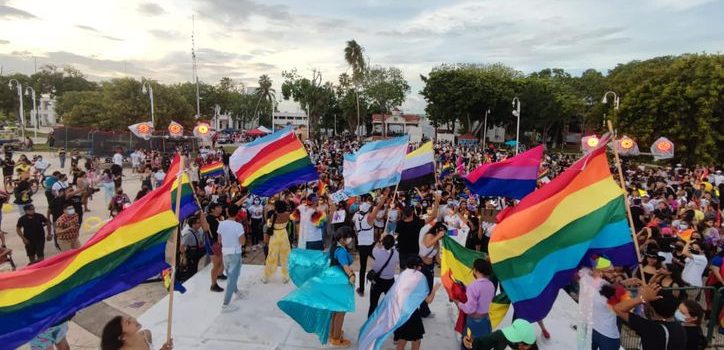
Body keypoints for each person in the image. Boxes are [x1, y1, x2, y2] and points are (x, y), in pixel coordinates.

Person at [612, 281, 686, 350]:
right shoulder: (678, 326)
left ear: (652, 310)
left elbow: (618, 308)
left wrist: (642, 298)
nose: (644, 305)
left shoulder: (652, 328)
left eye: (645, 304)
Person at [393, 256, 443, 350]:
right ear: (416, 267)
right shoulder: (419, 280)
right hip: (412, 314)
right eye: (420, 266)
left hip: (401, 313)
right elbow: (428, 300)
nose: (421, 268)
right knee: (416, 341)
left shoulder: (402, 276)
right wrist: (434, 290)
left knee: (401, 341)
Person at [455, 258, 496, 348]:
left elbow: (470, 309)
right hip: (486, 320)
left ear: (475, 270)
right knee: (484, 345)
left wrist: (459, 303)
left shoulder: (473, 286)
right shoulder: (491, 285)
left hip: (474, 322)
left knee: (469, 345)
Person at [353, 191, 387, 296]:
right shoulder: (369, 218)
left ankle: (361, 289)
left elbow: (354, 228)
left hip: (361, 245)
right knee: (382, 261)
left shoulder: (356, 215)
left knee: (362, 268)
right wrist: (385, 196)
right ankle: (381, 283)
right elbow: (379, 206)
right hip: (370, 245)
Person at [327, 226, 356, 347]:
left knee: (335, 309)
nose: (350, 240)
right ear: (343, 239)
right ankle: (336, 338)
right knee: (340, 311)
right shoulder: (342, 251)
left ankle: (333, 332)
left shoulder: (334, 247)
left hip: (333, 281)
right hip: (339, 283)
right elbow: (345, 265)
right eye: (349, 237)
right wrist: (351, 275)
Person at [217, 205, 245, 312]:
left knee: (230, 275)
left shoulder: (221, 224)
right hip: (235, 253)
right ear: (237, 213)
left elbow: (219, 239)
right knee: (232, 278)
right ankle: (226, 304)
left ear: (228, 213)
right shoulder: (238, 226)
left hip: (225, 252)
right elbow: (242, 241)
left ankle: (236, 290)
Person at [368, 234, 399, 316]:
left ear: (383, 242)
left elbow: (375, 247)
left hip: (377, 281)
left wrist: (380, 239)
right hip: (390, 281)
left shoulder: (376, 251)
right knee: (390, 303)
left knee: (373, 304)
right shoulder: (396, 254)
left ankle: (370, 324)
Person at [100, 315, 172, 350]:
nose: (134, 320)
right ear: (122, 337)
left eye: (130, 318)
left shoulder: (146, 335)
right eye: (128, 322)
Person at [263, 199, 291, 283]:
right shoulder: (287, 214)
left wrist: (268, 220)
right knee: (285, 256)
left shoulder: (274, 216)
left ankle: (266, 276)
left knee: (272, 256)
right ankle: (286, 276)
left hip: (275, 236)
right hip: (284, 235)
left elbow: (269, 224)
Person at [462, 319, 537, 350]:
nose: (520, 346)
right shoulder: (502, 336)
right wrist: (470, 343)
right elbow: (482, 342)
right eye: (516, 340)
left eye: (524, 345)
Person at [206, 203, 226, 292]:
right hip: (213, 243)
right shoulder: (209, 219)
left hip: (219, 243)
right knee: (216, 264)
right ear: (213, 209)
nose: (220, 208)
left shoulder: (218, 217)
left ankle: (219, 274)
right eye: (218, 207)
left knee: (221, 260)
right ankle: (213, 285)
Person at [179, 216, 207, 280]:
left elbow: (200, 243)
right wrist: (184, 257)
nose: (199, 224)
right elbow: (181, 246)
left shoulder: (197, 232)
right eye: (198, 223)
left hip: (196, 253)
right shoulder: (188, 233)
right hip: (191, 254)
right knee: (191, 272)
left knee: (194, 270)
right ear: (193, 224)